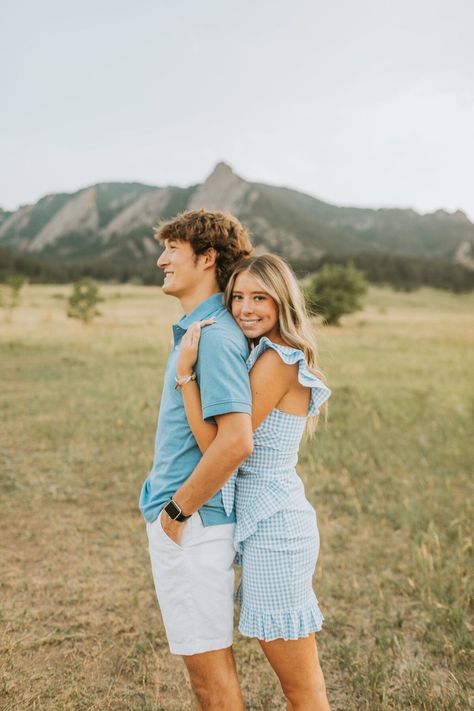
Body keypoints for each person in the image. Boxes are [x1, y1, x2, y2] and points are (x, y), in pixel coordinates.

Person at [176, 253, 332, 711]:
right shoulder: (265, 353)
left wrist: (185, 375)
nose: (245, 308)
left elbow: (220, 444)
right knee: (299, 687)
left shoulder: (278, 361)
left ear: (281, 301)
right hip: (268, 521)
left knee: (302, 690)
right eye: (237, 296)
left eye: (259, 297)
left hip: (276, 529)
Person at [139, 209, 254, 711]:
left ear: (207, 259)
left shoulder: (215, 336)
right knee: (204, 673)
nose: (161, 260)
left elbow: (235, 441)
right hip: (186, 523)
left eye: (172, 251)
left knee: (210, 681)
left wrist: (176, 513)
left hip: (192, 525)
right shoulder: (197, 330)